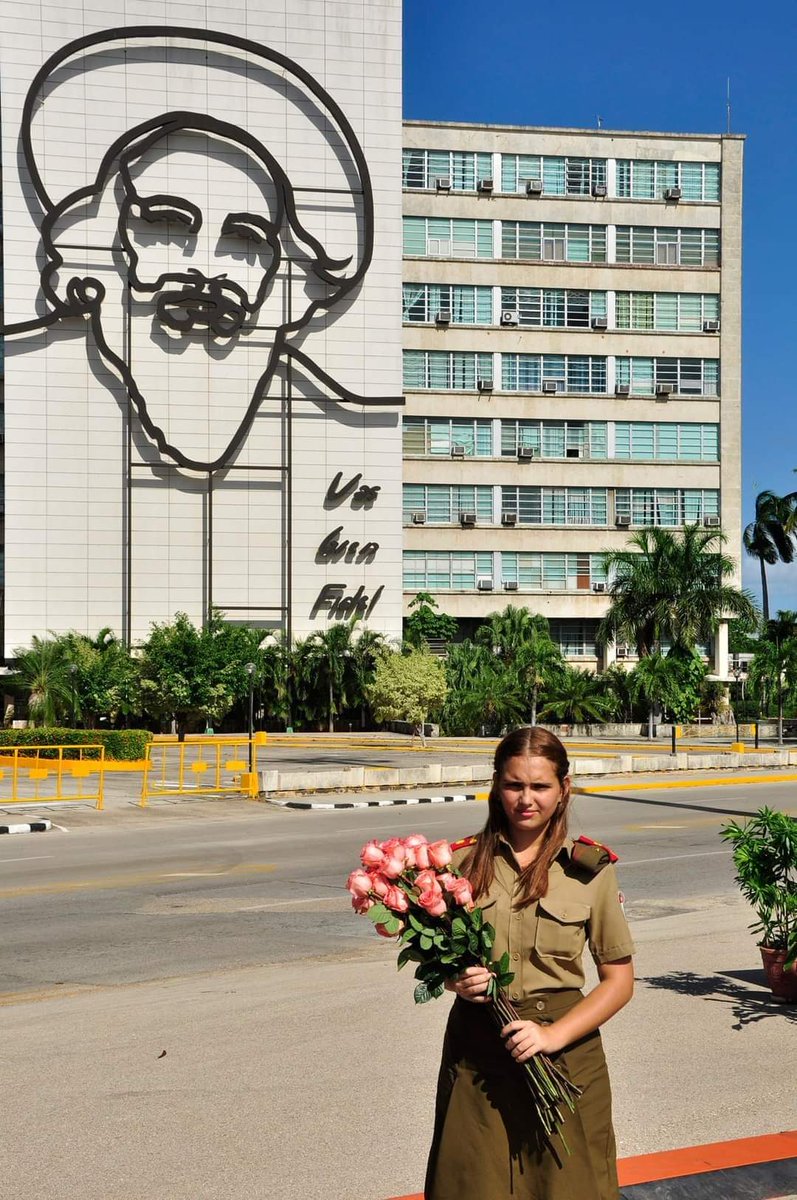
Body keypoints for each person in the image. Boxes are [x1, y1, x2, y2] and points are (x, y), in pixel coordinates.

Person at [424, 725, 635, 1200]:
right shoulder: (459, 865)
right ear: (496, 785)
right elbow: (440, 955)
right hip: (479, 1050)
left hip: (564, 1058)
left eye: (540, 786)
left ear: (563, 789)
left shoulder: (589, 870)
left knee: (570, 1188)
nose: (526, 799)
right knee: (470, 1185)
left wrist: (551, 1036)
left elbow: (619, 981)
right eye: (514, 784)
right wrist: (456, 979)